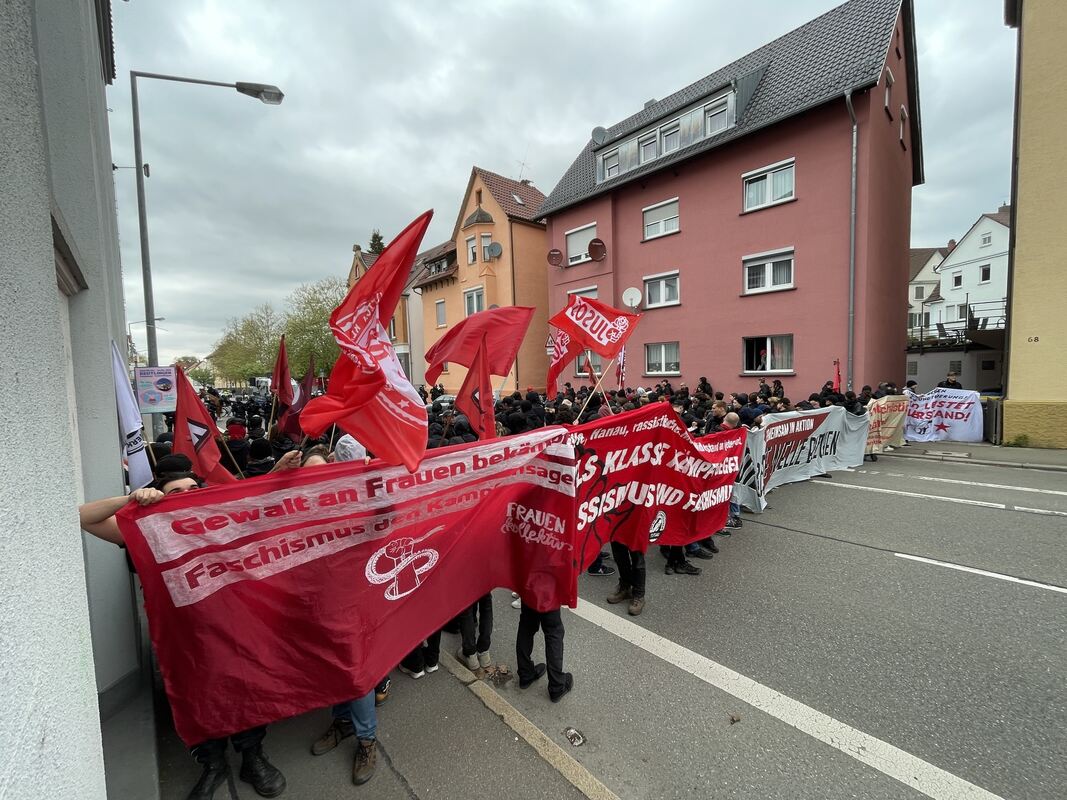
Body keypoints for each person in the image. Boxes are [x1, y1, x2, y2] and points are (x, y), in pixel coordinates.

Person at [78, 476, 287, 800]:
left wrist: (281, 469)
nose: (188, 496)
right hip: (184, 637)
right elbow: (83, 517)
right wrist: (130, 500)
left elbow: (275, 505)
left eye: (194, 489)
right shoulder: (150, 529)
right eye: (176, 492)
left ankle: (252, 757)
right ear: (160, 498)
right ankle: (212, 764)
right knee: (197, 698)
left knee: (244, 689)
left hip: (232, 626)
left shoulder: (223, 521)